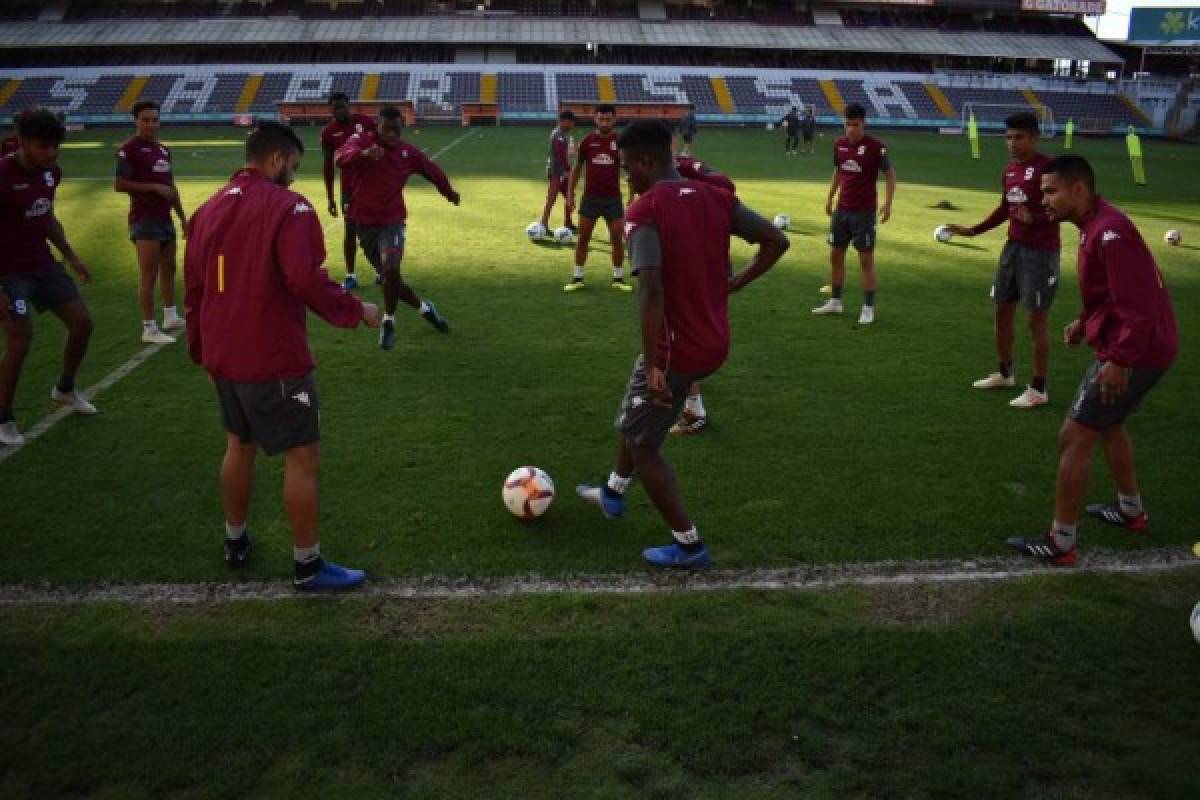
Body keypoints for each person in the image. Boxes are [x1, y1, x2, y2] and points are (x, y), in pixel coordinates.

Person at [575, 120, 789, 568]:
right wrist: (735, 284)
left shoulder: (646, 210)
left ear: (648, 162)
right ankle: (613, 493)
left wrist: (655, 365)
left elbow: (650, 289)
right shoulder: (716, 196)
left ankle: (689, 545)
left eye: (628, 167)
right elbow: (776, 240)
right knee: (637, 417)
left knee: (643, 444)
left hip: (675, 351)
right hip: (712, 340)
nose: (625, 177)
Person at [184, 121, 381, 590]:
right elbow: (304, 279)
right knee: (302, 457)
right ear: (276, 159)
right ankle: (308, 566)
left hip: (224, 356)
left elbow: (194, 289)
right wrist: (357, 309)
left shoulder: (208, 207)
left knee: (239, 445)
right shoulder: (289, 207)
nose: (294, 176)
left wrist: (202, 351)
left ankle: (235, 541)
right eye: (292, 166)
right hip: (272, 358)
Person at [1007, 155, 1177, 567]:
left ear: (1078, 189)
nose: (1043, 200)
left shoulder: (1111, 233)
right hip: (1139, 345)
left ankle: (1061, 542)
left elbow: (1137, 305)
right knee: (1109, 425)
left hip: (1137, 350)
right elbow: (1112, 294)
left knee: (1075, 434)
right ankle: (1131, 510)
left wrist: (1119, 361)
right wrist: (1085, 322)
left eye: (1051, 191)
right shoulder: (1094, 226)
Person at [942, 112, 1060, 409]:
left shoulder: (1048, 169)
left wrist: (1034, 218)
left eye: (1019, 137)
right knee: (1002, 312)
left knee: (1036, 321)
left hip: (1040, 253)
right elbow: (1003, 210)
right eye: (1008, 137)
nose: (1012, 143)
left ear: (1034, 137)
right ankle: (1006, 373)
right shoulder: (1009, 171)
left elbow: (1062, 209)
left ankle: (1039, 388)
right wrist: (971, 231)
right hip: (1013, 249)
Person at [0, 108, 97, 447]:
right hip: (8, 273)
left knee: (83, 323)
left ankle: (65, 389)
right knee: (20, 338)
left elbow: (47, 218)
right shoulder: (3, 175)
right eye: (43, 146)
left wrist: (71, 256)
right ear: (22, 141)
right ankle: (4, 417)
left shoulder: (50, 174)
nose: (51, 153)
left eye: (56, 145)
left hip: (42, 264)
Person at [336, 105, 459, 350]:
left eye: (397, 129)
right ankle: (425, 308)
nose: (392, 134)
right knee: (393, 281)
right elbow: (340, 156)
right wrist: (362, 155)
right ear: (377, 126)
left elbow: (431, 170)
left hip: (392, 223)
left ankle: (389, 321)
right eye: (386, 129)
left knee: (391, 270)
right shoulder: (362, 141)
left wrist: (449, 192)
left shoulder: (407, 153)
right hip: (365, 225)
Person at [812, 103, 895, 325]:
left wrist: (888, 204)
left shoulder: (876, 147)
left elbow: (889, 174)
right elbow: (838, 171)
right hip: (842, 211)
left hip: (864, 213)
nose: (851, 130)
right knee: (835, 256)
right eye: (847, 125)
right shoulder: (839, 144)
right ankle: (836, 302)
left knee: (866, 260)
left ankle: (868, 308)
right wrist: (830, 197)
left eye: (855, 125)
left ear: (863, 124)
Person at [114, 100, 188, 345]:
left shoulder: (164, 150)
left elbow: (172, 186)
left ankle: (170, 316)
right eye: (145, 120)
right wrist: (153, 187)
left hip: (165, 218)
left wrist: (182, 218)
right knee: (149, 273)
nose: (151, 124)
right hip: (144, 219)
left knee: (169, 269)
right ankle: (149, 328)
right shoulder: (129, 149)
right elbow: (120, 184)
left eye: (154, 119)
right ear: (136, 121)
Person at [564, 104, 629, 292]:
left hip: (613, 200)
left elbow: (628, 168)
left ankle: (618, 279)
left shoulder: (620, 141)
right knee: (583, 239)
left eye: (608, 119)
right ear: (595, 119)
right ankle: (577, 278)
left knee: (617, 239)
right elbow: (576, 169)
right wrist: (570, 194)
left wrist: (633, 194)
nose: (605, 122)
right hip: (590, 199)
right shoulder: (586, 142)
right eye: (601, 119)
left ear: (614, 120)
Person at [320, 92, 374, 290]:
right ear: (331, 109)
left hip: (371, 184)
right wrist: (330, 198)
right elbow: (327, 166)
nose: (340, 110)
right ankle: (351, 275)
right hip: (349, 188)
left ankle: (379, 271)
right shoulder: (328, 132)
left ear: (349, 105)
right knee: (350, 229)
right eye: (336, 107)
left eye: (343, 106)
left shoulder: (365, 122)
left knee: (374, 228)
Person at [539, 110, 576, 234]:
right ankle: (543, 223)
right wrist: (567, 169)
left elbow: (563, 153)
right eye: (571, 122)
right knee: (552, 198)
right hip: (557, 172)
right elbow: (560, 153)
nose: (572, 125)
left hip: (560, 171)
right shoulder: (558, 134)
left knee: (569, 196)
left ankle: (568, 222)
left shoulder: (561, 134)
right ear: (564, 121)